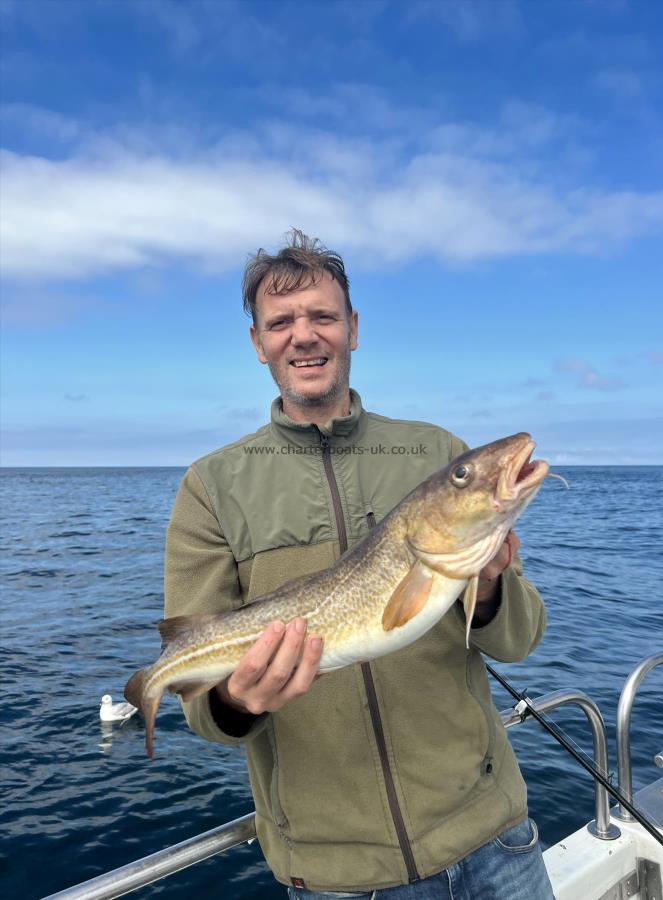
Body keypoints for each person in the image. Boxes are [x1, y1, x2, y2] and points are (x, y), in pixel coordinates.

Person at [164, 230, 555, 899]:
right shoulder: (210, 486)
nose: (304, 335)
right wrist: (236, 699)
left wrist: (487, 590)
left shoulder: (435, 452)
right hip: (339, 877)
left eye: (322, 316)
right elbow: (205, 714)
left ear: (352, 328)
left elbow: (518, 642)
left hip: (492, 839)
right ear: (258, 344)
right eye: (281, 322)